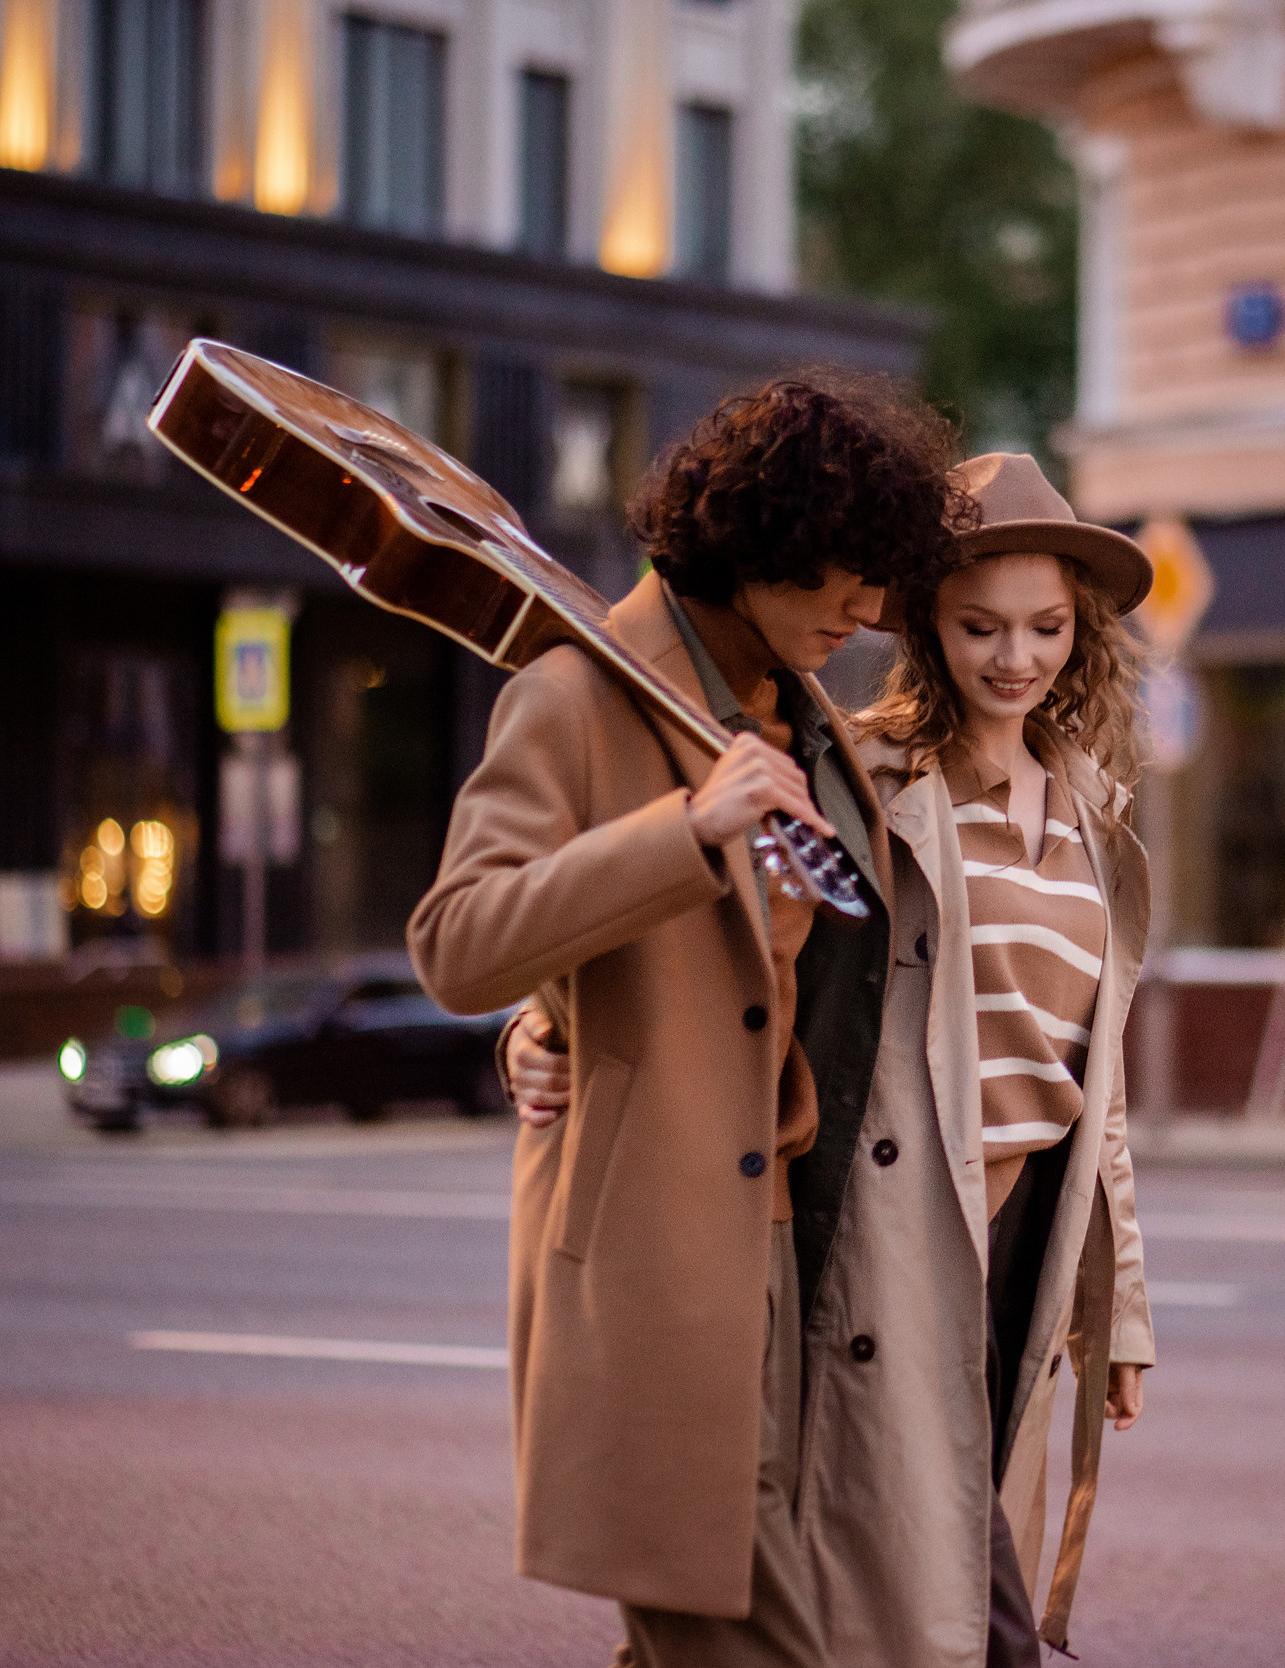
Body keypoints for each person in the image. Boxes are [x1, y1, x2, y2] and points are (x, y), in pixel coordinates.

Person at [407, 372, 964, 1668]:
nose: (869, 610)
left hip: (792, 1243)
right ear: (758, 538)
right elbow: (457, 943)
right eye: (842, 572)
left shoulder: (808, 718)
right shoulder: (576, 693)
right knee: (743, 1634)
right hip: (652, 1256)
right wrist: (680, 832)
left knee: (700, 1630)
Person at [796, 452, 1157, 1668]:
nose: (1016, 657)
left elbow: (1094, 1088)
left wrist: (1120, 1311)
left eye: (1046, 627)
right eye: (979, 625)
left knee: (941, 1586)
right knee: (960, 1614)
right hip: (896, 1236)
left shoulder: (1093, 812)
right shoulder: (867, 777)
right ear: (924, 628)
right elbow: (737, 954)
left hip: (1024, 1248)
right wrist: (547, 1031)